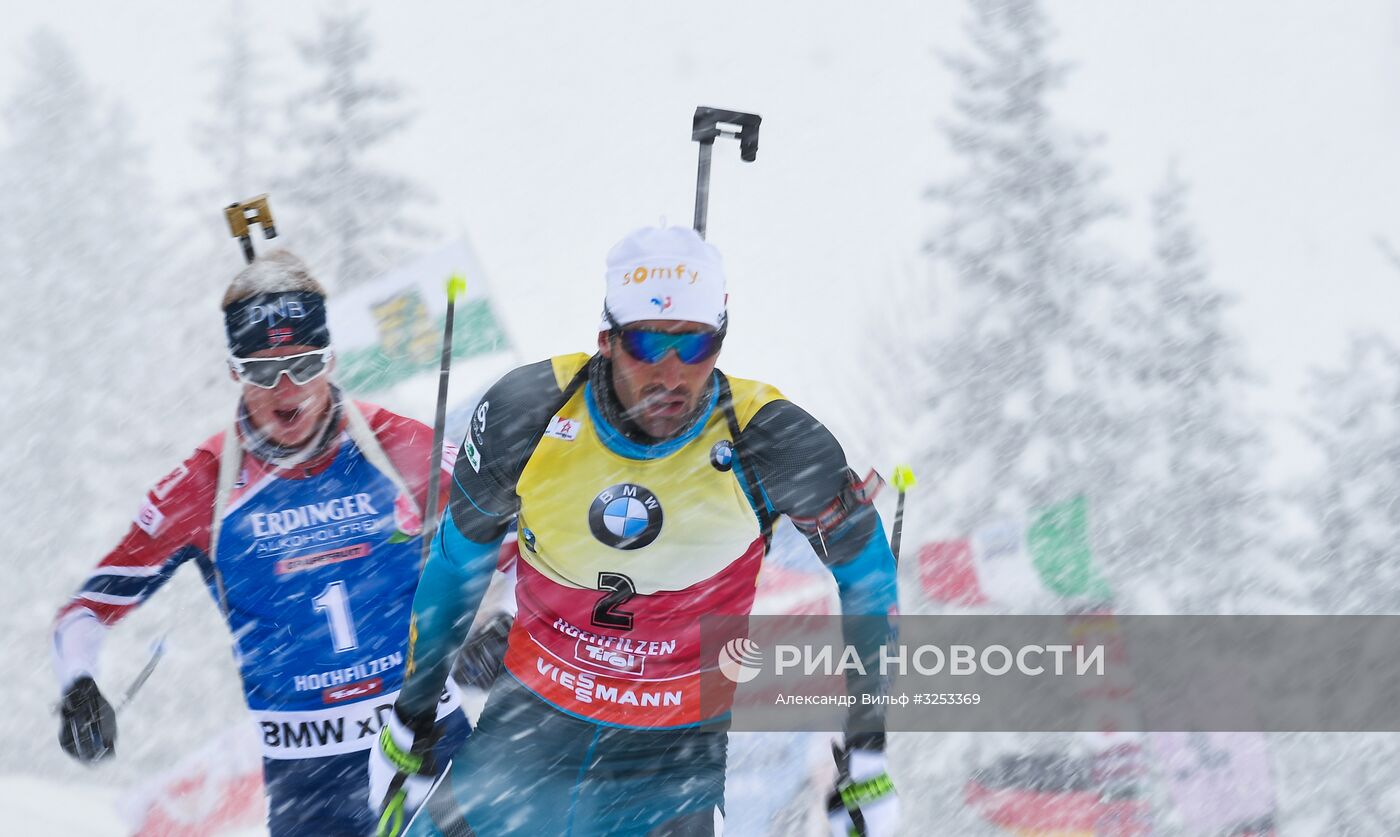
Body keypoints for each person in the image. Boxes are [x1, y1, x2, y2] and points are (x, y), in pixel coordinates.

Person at [368, 226, 901, 836]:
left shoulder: (769, 439)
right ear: (606, 339)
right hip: (524, 748)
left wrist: (865, 754)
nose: (671, 376)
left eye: (695, 347)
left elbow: (867, 577)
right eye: (649, 344)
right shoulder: (529, 410)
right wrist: (410, 724)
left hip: (668, 772)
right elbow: (457, 564)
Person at [52, 250, 470, 836]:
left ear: (329, 359)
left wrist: (494, 630)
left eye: (302, 364)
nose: (285, 388)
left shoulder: (402, 448)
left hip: (429, 741)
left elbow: (521, 550)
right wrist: (79, 687)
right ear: (233, 370)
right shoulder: (202, 487)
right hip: (310, 780)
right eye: (261, 370)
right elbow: (85, 611)